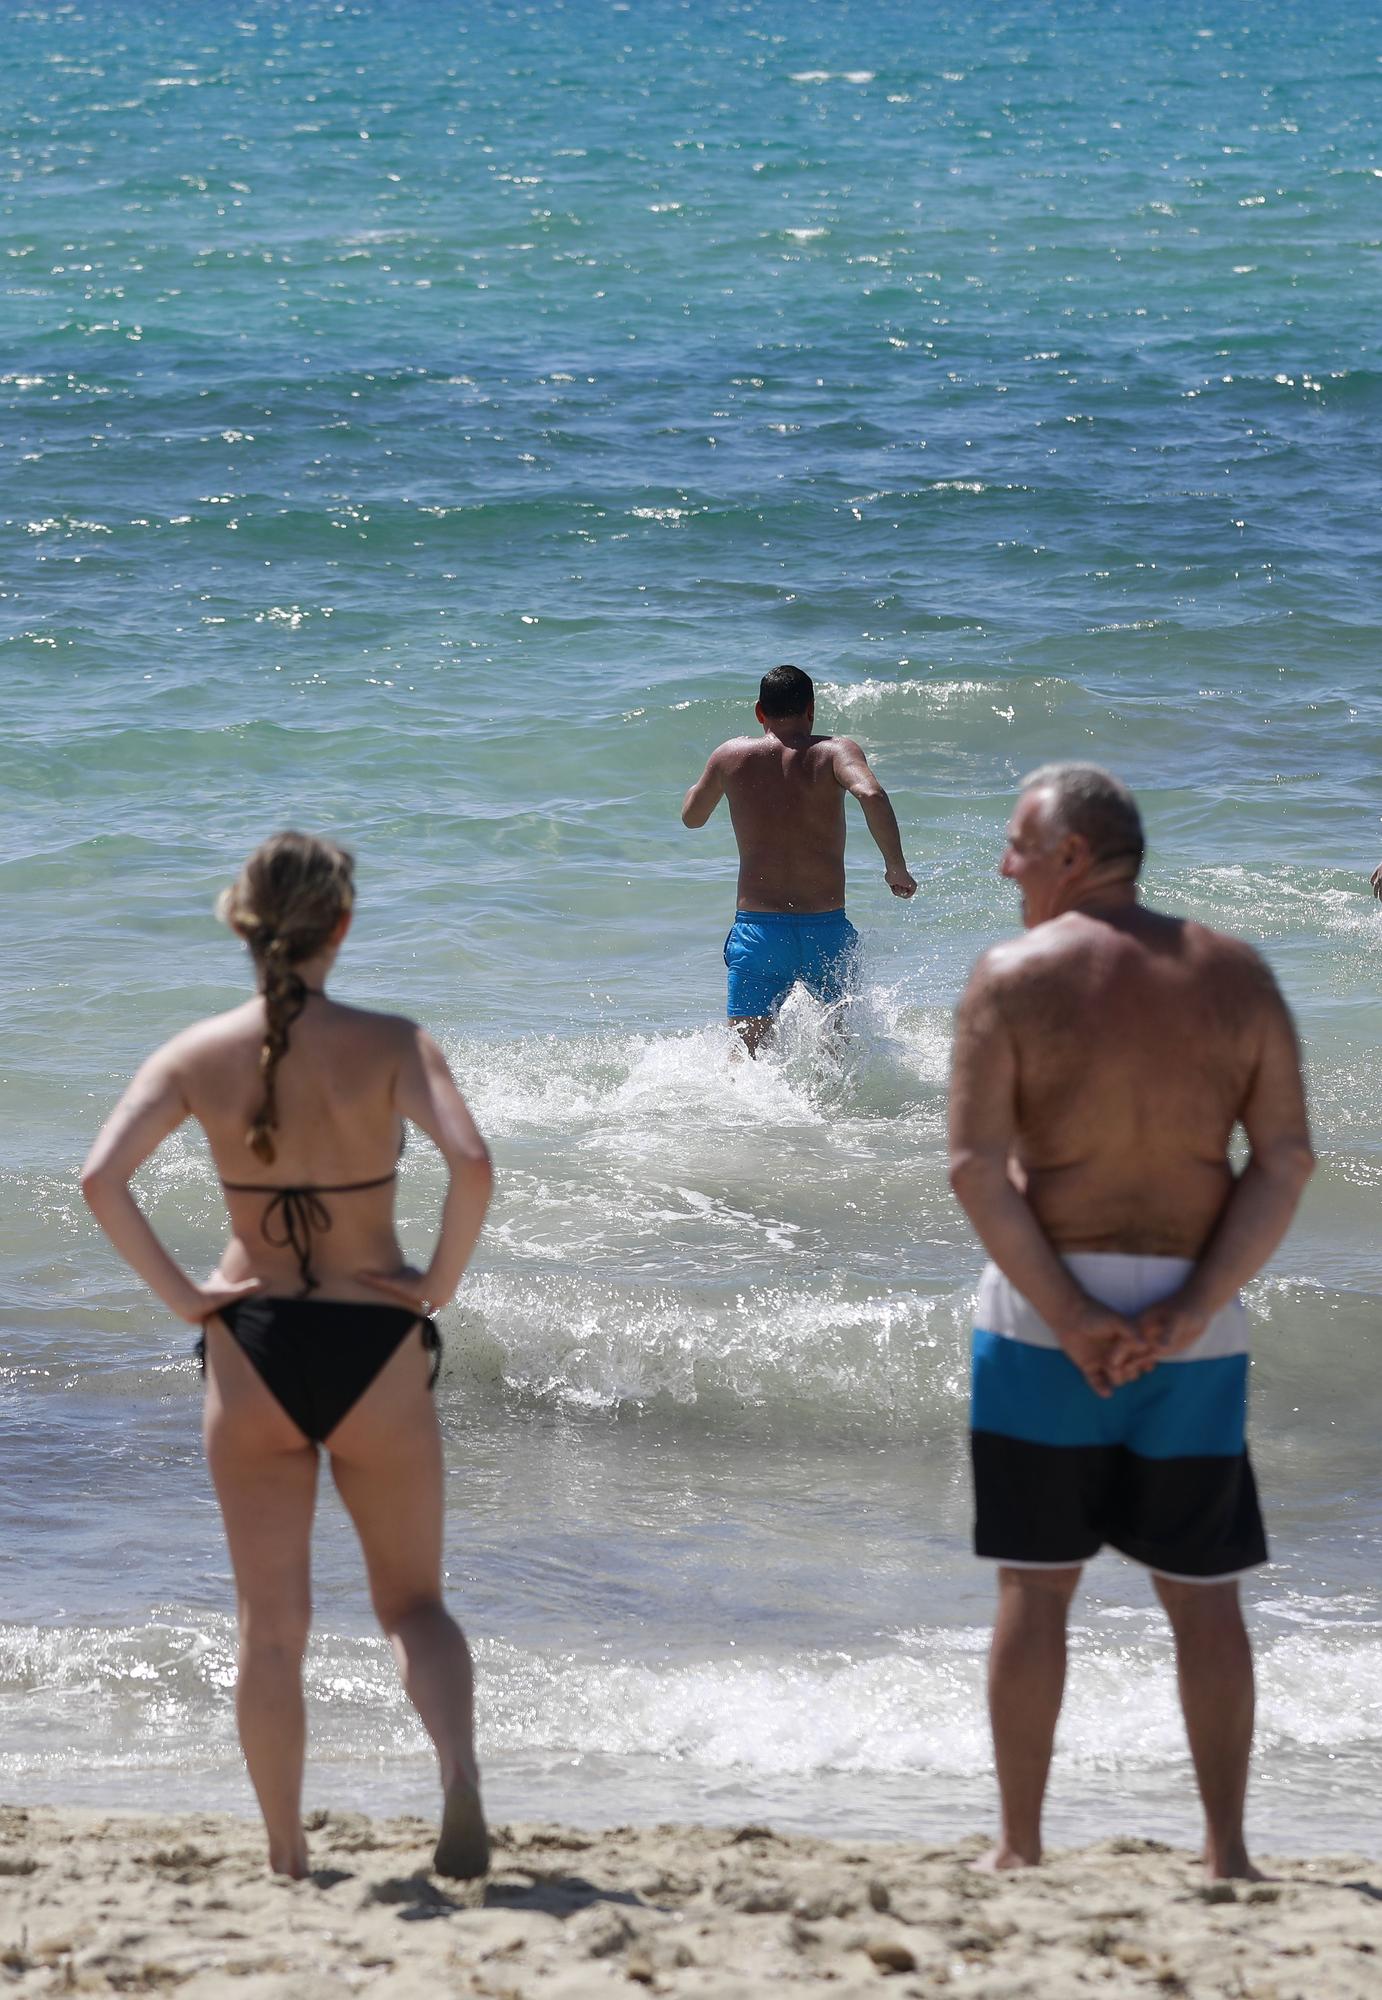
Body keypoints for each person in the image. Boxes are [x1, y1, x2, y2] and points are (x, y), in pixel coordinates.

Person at [79, 832, 493, 1881]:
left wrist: (186, 1299)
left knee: (270, 1627)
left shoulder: (194, 1052)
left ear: (239, 921)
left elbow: (99, 1179)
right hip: (376, 1339)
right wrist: (436, 1281)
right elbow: (473, 1161)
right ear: (341, 925)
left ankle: (285, 1855)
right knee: (414, 1603)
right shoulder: (393, 1040)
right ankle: (454, 1771)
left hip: (251, 1343)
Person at [947, 765, 1313, 1880]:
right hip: (1190, 1330)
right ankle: (1227, 1851)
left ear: (1070, 854)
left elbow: (972, 1167)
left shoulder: (1008, 975)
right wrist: (1190, 1307)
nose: (1003, 863)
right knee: (1203, 1599)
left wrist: (1066, 1315)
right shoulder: (1235, 973)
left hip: (1032, 1324)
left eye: (1016, 842)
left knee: (1033, 1588)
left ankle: (1017, 1848)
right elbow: (1284, 1158)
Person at [681, 664, 917, 1053]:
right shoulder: (835, 752)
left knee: (747, 1054)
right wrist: (895, 865)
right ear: (811, 709)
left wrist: (715, 774)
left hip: (759, 933)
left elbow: (692, 818)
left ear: (760, 712)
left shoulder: (730, 756)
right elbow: (872, 795)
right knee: (842, 1048)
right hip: (825, 928)